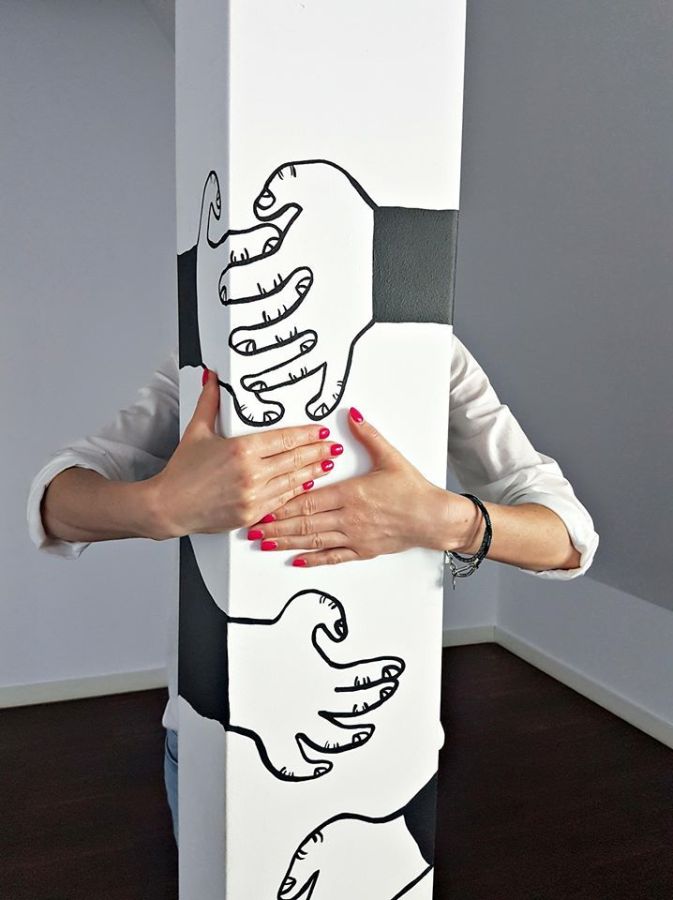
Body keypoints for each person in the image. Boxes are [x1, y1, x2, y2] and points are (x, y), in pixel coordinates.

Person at [26, 336, 599, 844]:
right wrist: (160, 506)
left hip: (387, 736)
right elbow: (55, 503)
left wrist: (444, 520)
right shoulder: (205, 356)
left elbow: (568, 540)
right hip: (218, 731)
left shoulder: (431, 351)